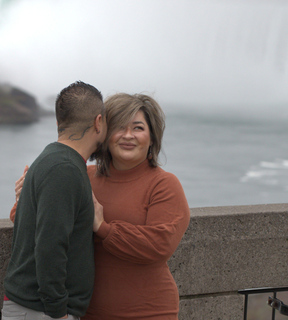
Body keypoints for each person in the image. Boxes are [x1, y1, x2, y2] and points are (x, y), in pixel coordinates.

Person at [11, 93, 190, 320]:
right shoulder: (83, 176)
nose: (128, 136)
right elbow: (41, 227)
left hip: (149, 312)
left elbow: (160, 245)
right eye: (119, 127)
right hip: (84, 312)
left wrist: (103, 227)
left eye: (137, 128)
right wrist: (27, 200)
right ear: (104, 133)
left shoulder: (164, 184)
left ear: (152, 137)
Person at [2, 81, 107, 320]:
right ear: (98, 122)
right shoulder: (64, 169)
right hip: (43, 311)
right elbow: (50, 245)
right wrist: (58, 311)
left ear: (58, 122)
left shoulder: (55, 159)